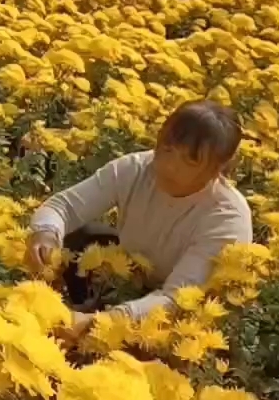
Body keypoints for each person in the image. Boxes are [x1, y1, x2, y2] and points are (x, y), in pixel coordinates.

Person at [27, 99, 252, 340]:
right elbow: (64, 206)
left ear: (217, 168)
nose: (169, 165)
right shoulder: (136, 169)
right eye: (167, 148)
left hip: (181, 323)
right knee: (80, 237)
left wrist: (103, 321)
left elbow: (177, 300)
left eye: (190, 160)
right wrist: (45, 235)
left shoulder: (227, 219)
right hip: (126, 280)